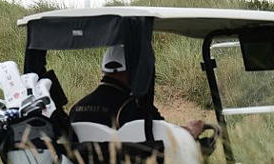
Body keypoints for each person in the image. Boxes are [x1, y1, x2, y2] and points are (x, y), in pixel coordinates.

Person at [70, 45, 204, 137]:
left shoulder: (77, 108)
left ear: (104, 70)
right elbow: (165, 136)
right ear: (135, 70)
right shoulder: (133, 107)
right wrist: (189, 131)